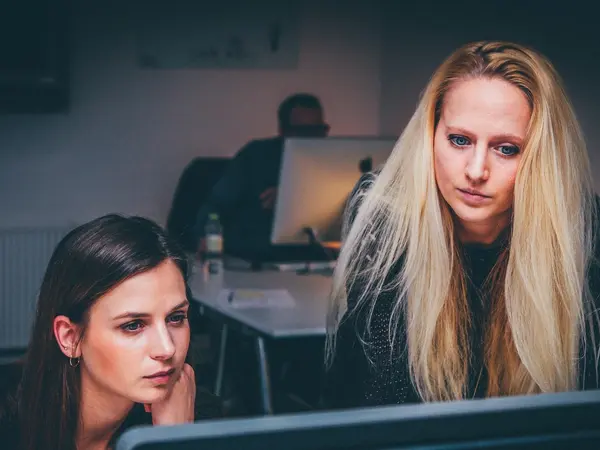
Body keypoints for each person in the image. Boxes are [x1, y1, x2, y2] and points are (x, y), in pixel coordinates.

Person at [323, 41, 600, 410]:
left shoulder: (582, 229)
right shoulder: (387, 217)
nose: (476, 170)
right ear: (430, 135)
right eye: (459, 140)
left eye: (507, 148)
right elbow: (383, 398)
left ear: (541, 157)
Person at [0, 214, 221, 449]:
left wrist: (174, 438)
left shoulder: (195, 419)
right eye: (133, 325)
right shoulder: (8, 423)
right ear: (70, 338)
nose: (167, 349)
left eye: (176, 318)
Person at [194, 92, 330, 259]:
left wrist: (294, 199)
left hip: (314, 256)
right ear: (283, 131)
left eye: (318, 130)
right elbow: (215, 204)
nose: (312, 139)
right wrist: (206, 237)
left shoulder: (330, 164)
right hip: (258, 255)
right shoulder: (256, 156)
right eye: (303, 131)